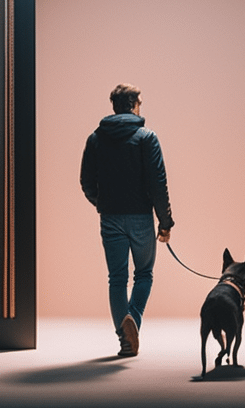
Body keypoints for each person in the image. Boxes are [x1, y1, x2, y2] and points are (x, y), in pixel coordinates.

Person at [80, 83, 174, 357]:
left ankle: (125, 338)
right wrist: (165, 222)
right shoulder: (147, 137)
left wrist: (104, 203)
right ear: (134, 105)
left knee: (117, 278)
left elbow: (86, 182)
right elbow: (159, 184)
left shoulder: (95, 139)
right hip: (141, 218)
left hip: (110, 218)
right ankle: (133, 320)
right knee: (143, 274)